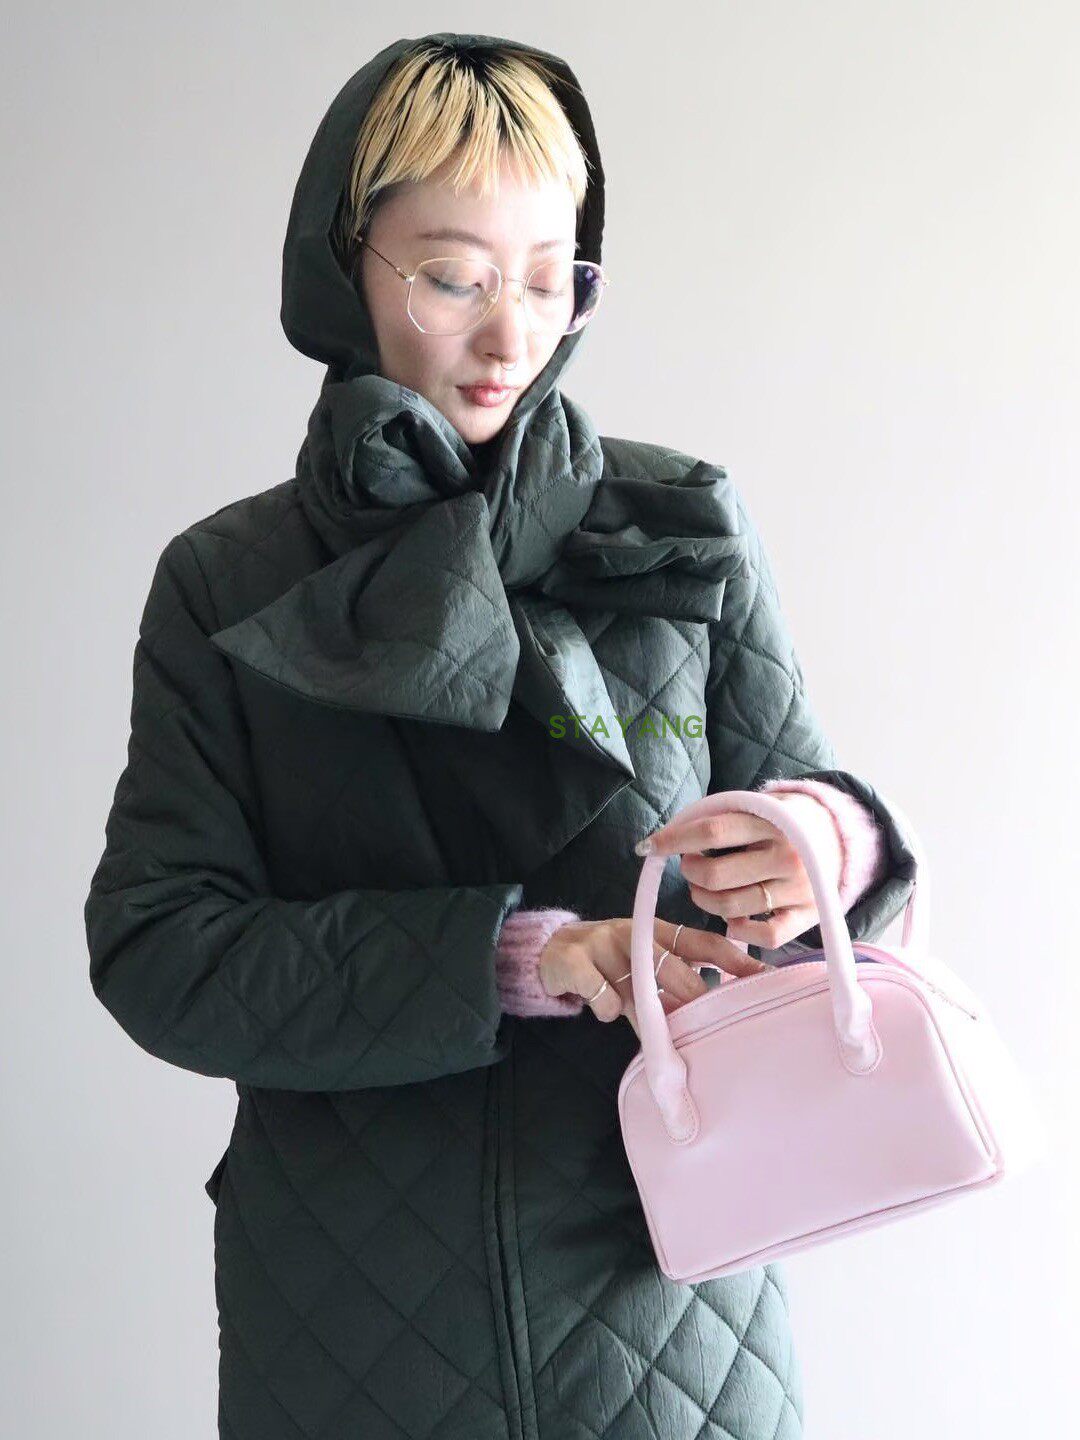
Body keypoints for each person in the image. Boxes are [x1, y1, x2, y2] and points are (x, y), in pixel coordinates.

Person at [84, 31, 916, 1440]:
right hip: (350, 1314)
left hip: (672, 1310)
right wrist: (513, 958)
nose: (510, 336)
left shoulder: (680, 524)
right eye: (454, 276)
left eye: (549, 277)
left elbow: (817, 854)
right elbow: (162, 948)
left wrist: (831, 845)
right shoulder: (227, 582)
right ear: (345, 266)